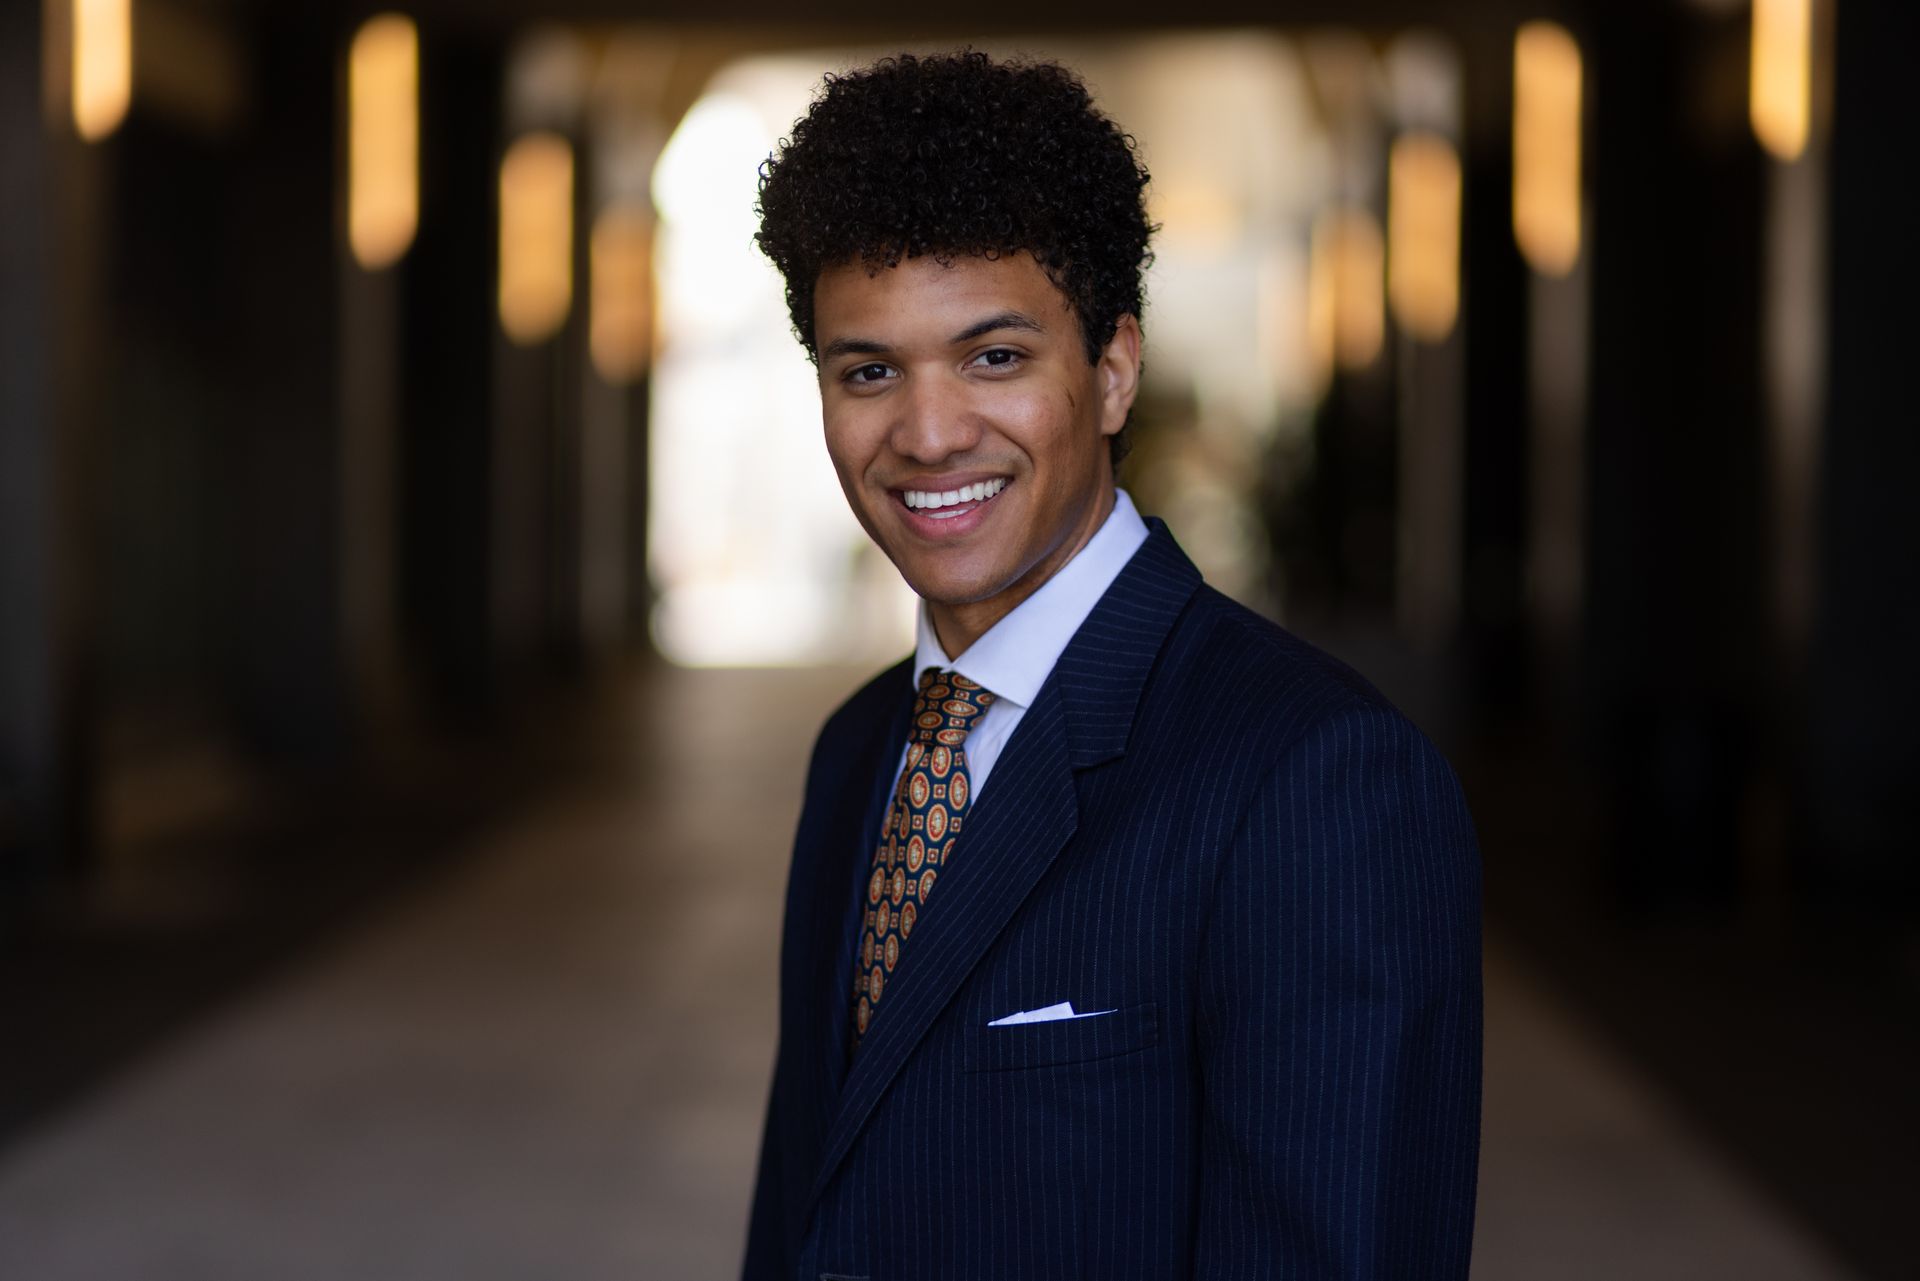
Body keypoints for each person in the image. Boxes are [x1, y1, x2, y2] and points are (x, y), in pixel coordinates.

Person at [742, 50, 1481, 1280]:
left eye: (994, 358)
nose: (927, 435)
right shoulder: (861, 751)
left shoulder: (1319, 781)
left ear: (1115, 369)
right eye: (869, 370)